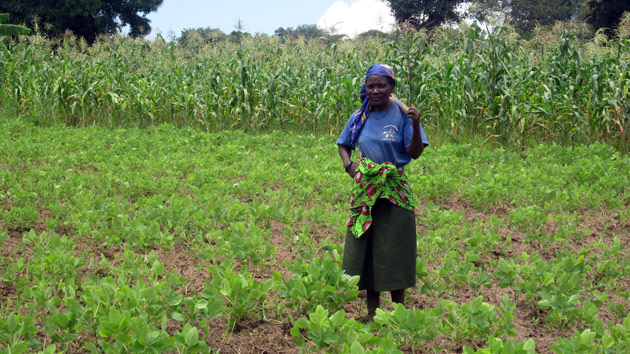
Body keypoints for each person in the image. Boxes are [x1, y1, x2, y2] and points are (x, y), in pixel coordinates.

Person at [336, 64, 428, 322]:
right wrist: (349, 165)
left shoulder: (402, 117)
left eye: (381, 85)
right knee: (368, 249)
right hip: (366, 190)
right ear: (365, 87)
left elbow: (415, 153)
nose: (375, 90)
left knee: (396, 249)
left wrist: (416, 123)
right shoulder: (360, 117)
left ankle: (398, 314)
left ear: (391, 89)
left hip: (394, 189)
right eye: (371, 85)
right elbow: (343, 145)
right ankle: (372, 314)